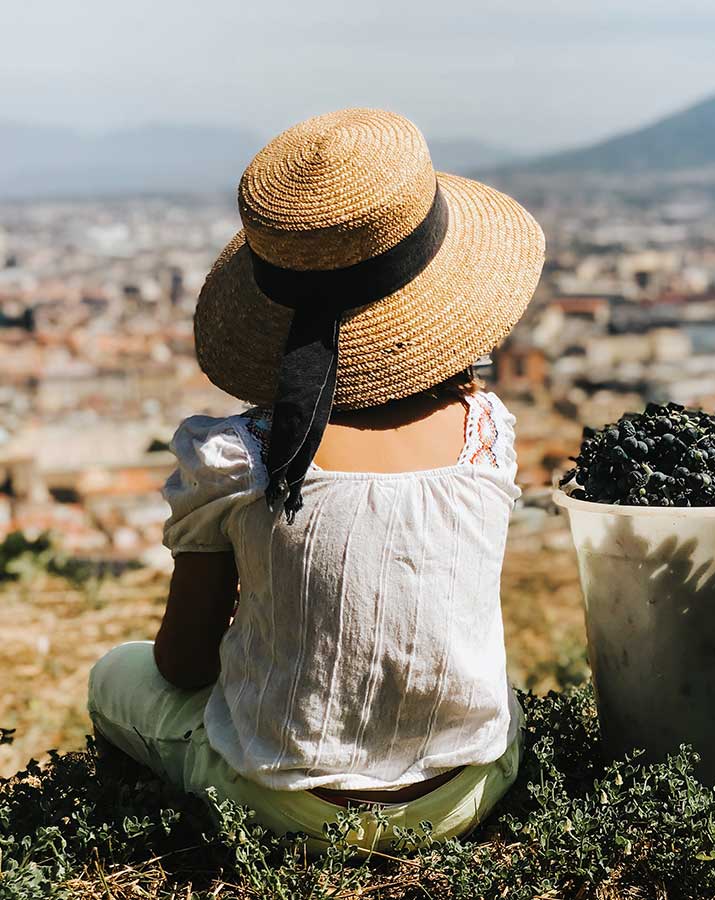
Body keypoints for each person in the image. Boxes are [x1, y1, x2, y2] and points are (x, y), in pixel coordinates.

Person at [86, 108, 545, 850]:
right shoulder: (484, 439)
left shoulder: (238, 458)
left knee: (117, 674)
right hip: (464, 794)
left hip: (285, 807)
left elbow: (182, 664)